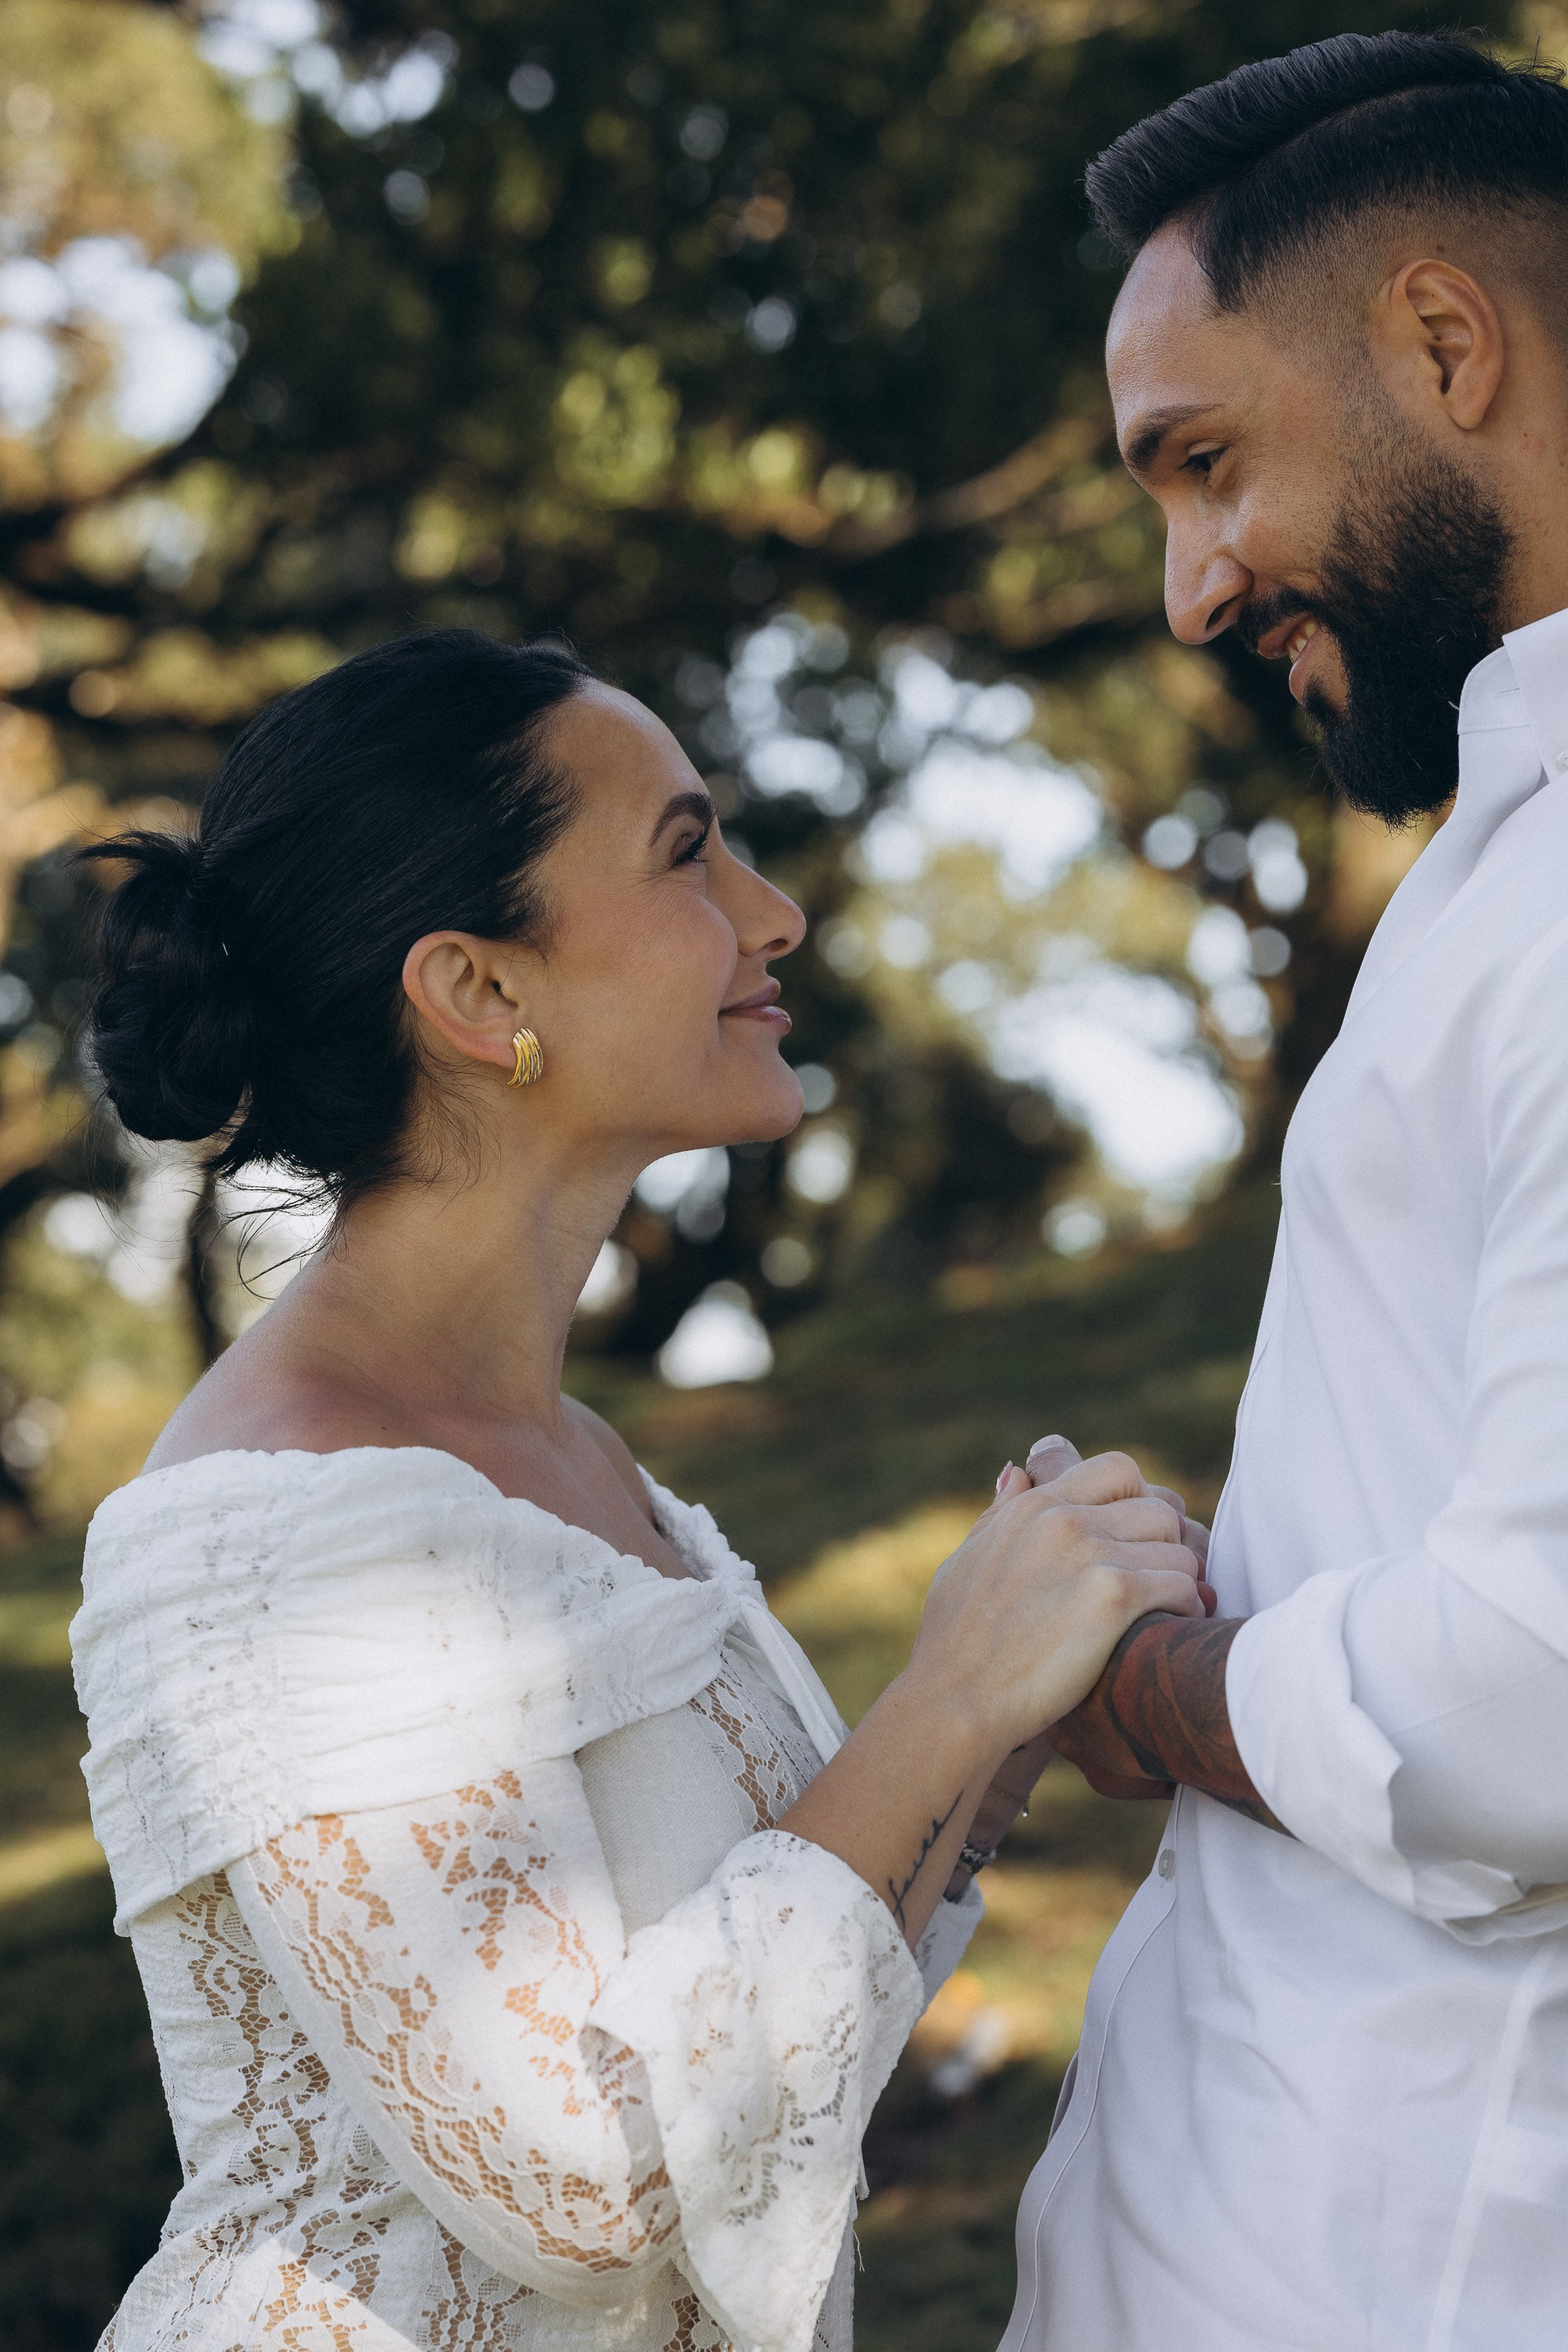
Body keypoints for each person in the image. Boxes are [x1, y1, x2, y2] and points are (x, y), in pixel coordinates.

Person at [68, 629, 1207, 2352]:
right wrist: (948, 1692)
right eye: (686, 854)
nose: (774, 915)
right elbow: (588, 2183)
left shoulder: (589, 1467)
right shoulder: (264, 1533)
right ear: (479, 994)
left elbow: (761, 2048)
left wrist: (993, 1744)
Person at [997, 31, 1568, 2352]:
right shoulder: (1497, 862)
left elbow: (1536, 1699)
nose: (1189, 590)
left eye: (1206, 463)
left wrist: (1131, 1688)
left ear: (1443, 344)